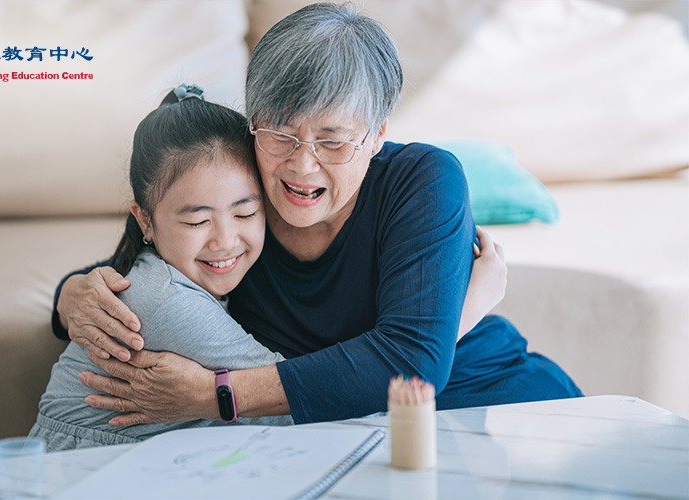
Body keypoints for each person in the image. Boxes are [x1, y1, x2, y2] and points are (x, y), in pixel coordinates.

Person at [52, 2, 582, 428]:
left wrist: (213, 396)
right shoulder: (239, 192)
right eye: (282, 133)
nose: (302, 167)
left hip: (493, 399)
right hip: (351, 432)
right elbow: (149, 257)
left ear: (377, 135)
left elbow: (412, 360)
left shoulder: (423, 179)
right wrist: (71, 297)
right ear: (254, 124)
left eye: (333, 140)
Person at [30, 86, 293, 451]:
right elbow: (293, 401)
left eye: (245, 213)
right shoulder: (167, 302)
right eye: (198, 221)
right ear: (146, 222)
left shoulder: (166, 271)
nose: (225, 240)